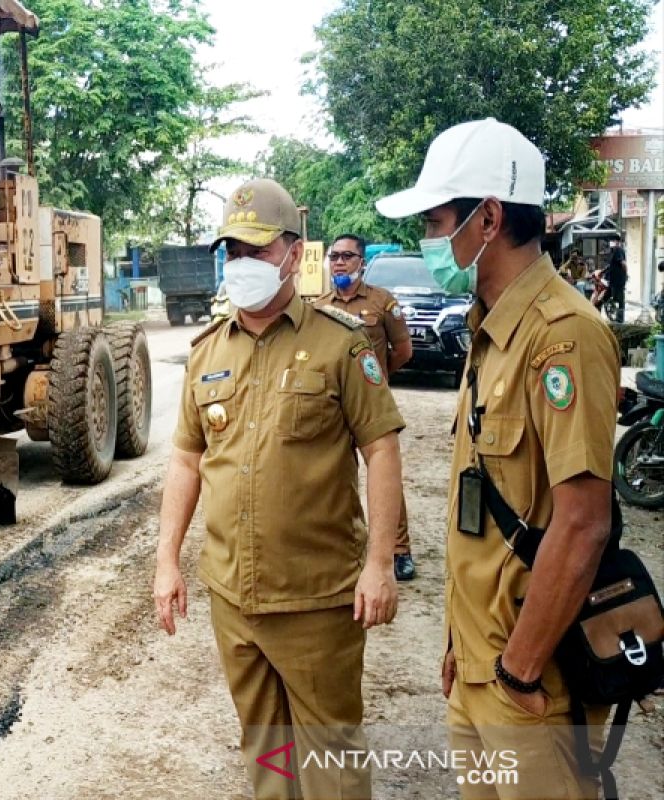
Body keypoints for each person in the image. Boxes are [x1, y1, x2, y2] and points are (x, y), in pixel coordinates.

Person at [376, 118, 618, 799]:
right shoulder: (491, 332)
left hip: (531, 686)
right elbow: (481, 511)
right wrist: (462, 647)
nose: (428, 239)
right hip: (481, 669)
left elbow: (582, 523)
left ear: (487, 218)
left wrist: (517, 670)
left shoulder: (562, 335)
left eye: (435, 219)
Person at [154, 178, 405, 799]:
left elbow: (381, 449)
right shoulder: (208, 351)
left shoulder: (340, 343)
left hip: (318, 600)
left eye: (258, 250)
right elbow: (186, 462)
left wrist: (379, 564)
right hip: (233, 597)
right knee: (266, 755)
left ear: (295, 253)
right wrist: (166, 562)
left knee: (331, 763)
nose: (243, 264)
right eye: (233, 251)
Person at [315, 234, 418, 580]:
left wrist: (377, 378)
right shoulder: (320, 305)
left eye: (347, 256)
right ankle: (340, 543)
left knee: (383, 471)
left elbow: (403, 350)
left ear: (362, 261)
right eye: (334, 256)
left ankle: (398, 549)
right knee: (333, 474)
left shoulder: (382, 302)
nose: (339, 262)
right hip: (332, 406)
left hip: (370, 406)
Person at [605, 234, 627, 322]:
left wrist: (624, 275)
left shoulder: (618, 250)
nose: (611, 243)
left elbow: (623, 264)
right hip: (613, 281)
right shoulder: (613, 251)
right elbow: (611, 265)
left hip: (618, 280)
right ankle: (614, 317)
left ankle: (620, 319)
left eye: (612, 241)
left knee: (619, 300)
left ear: (617, 241)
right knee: (609, 298)